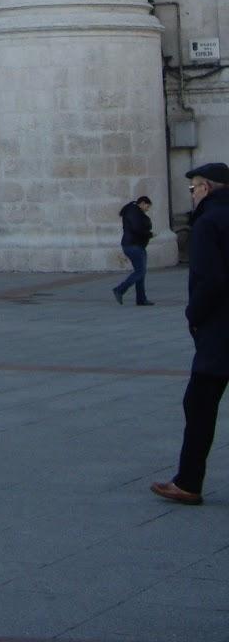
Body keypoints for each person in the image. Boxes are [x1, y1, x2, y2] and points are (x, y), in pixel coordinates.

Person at [151, 162, 229, 506]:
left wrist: (193, 315)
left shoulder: (208, 223)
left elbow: (210, 280)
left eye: (193, 188)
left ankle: (188, 482)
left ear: (206, 188)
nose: (192, 194)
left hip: (220, 330)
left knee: (198, 405)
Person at [113, 194, 154, 305]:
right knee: (140, 272)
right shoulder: (134, 212)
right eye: (147, 207)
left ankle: (141, 299)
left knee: (140, 272)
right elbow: (137, 228)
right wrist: (149, 234)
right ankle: (120, 289)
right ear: (142, 203)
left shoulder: (133, 211)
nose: (147, 209)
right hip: (133, 245)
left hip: (134, 245)